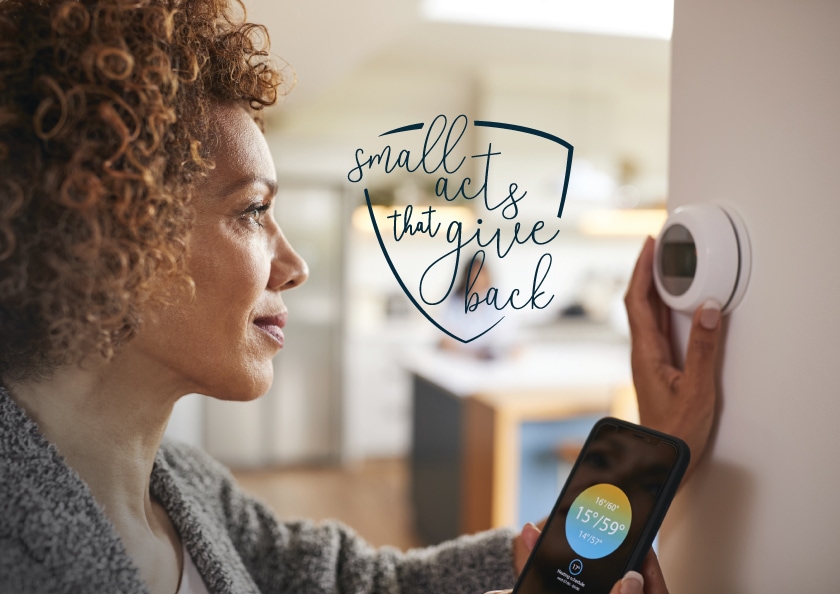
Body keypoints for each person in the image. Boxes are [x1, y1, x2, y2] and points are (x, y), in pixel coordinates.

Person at [0, 1, 723, 593]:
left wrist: (644, 468)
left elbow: (370, 584)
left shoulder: (185, 487)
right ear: (107, 231)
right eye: (252, 211)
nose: (294, 265)